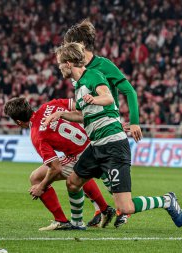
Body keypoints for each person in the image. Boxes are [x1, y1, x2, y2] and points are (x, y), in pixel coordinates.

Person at [44, 42, 182, 228]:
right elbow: (81, 114)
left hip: (113, 145)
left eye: (60, 63)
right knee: (72, 183)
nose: (59, 67)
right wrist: (60, 115)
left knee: (125, 207)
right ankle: (77, 223)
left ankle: (166, 200)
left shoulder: (93, 75)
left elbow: (108, 97)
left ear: (68, 63)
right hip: (96, 146)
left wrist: (95, 99)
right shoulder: (79, 85)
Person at [64, 19, 143, 226]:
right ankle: (103, 210)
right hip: (93, 128)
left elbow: (129, 92)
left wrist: (134, 121)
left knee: (95, 172)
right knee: (80, 177)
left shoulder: (103, 65)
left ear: (80, 44)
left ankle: (119, 208)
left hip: (108, 127)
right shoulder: (77, 72)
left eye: (68, 45)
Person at [4, 97, 116, 230]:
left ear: (18, 122)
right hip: (92, 141)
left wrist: (41, 187)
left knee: (36, 178)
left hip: (83, 155)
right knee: (74, 170)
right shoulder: (49, 105)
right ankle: (104, 208)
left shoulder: (37, 135)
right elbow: (77, 107)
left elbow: (55, 168)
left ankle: (62, 220)